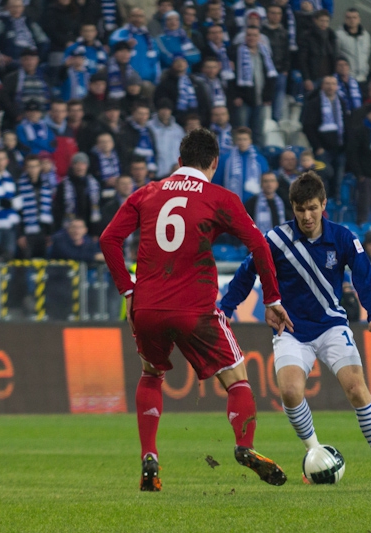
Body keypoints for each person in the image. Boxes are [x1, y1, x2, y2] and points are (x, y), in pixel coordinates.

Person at [99, 128, 293, 491]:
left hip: (148, 307)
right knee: (236, 378)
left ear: (179, 161)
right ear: (215, 163)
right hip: (195, 309)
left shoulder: (147, 192)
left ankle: (149, 455)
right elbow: (259, 245)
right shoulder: (219, 197)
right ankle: (245, 445)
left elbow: (108, 239)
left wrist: (128, 290)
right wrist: (272, 299)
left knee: (151, 374)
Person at [220, 171, 371, 485]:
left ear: (324, 205)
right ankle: (315, 453)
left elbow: (364, 274)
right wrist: (226, 308)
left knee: (356, 389)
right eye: (300, 209)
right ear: (292, 207)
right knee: (290, 392)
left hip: (332, 325)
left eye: (312, 208)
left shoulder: (343, 237)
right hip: (291, 329)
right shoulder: (276, 240)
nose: (307, 216)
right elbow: (247, 272)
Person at [231, 26, 277, 147]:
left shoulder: (264, 53)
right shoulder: (236, 53)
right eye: (249, 35)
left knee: (258, 132)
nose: (251, 38)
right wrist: (235, 95)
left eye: (255, 35)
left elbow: (270, 76)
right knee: (242, 130)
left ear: (259, 37)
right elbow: (231, 77)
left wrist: (268, 96)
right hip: (243, 99)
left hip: (260, 99)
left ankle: (257, 155)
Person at [302, 75, 346, 199]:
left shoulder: (341, 103)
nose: (330, 86)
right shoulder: (314, 103)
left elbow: (346, 125)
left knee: (338, 180)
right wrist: (318, 147)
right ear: (322, 86)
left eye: (333, 84)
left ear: (337, 86)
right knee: (324, 177)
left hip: (340, 149)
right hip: (322, 149)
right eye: (327, 83)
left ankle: (336, 202)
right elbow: (308, 127)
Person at [214, 126, 269, 202]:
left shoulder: (260, 160)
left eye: (245, 139)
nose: (242, 142)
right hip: (230, 203)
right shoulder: (225, 159)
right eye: (239, 139)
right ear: (236, 141)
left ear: (250, 141)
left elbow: (266, 181)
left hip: (254, 204)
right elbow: (217, 182)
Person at [298, 10, 337, 93]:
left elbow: (334, 55)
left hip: (328, 77)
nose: (324, 23)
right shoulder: (307, 35)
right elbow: (302, 59)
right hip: (313, 77)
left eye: (326, 21)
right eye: (322, 21)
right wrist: (307, 78)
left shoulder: (331, 35)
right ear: (315, 20)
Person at [147, 99, 185, 179]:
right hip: (157, 173)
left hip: (174, 173)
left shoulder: (178, 130)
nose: (165, 112)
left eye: (167, 109)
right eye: (162, 109)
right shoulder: (149, 127)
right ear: (158, 110)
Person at [336, 8, 371, 83]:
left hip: (363, 77)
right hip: (347, 78)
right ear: (345, 19)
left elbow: (367, 53)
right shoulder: (339, 35)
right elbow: (336, 55)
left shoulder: (366, 35)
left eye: (354, 17)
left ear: (359, 19)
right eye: (349, 18)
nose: (352, 20)